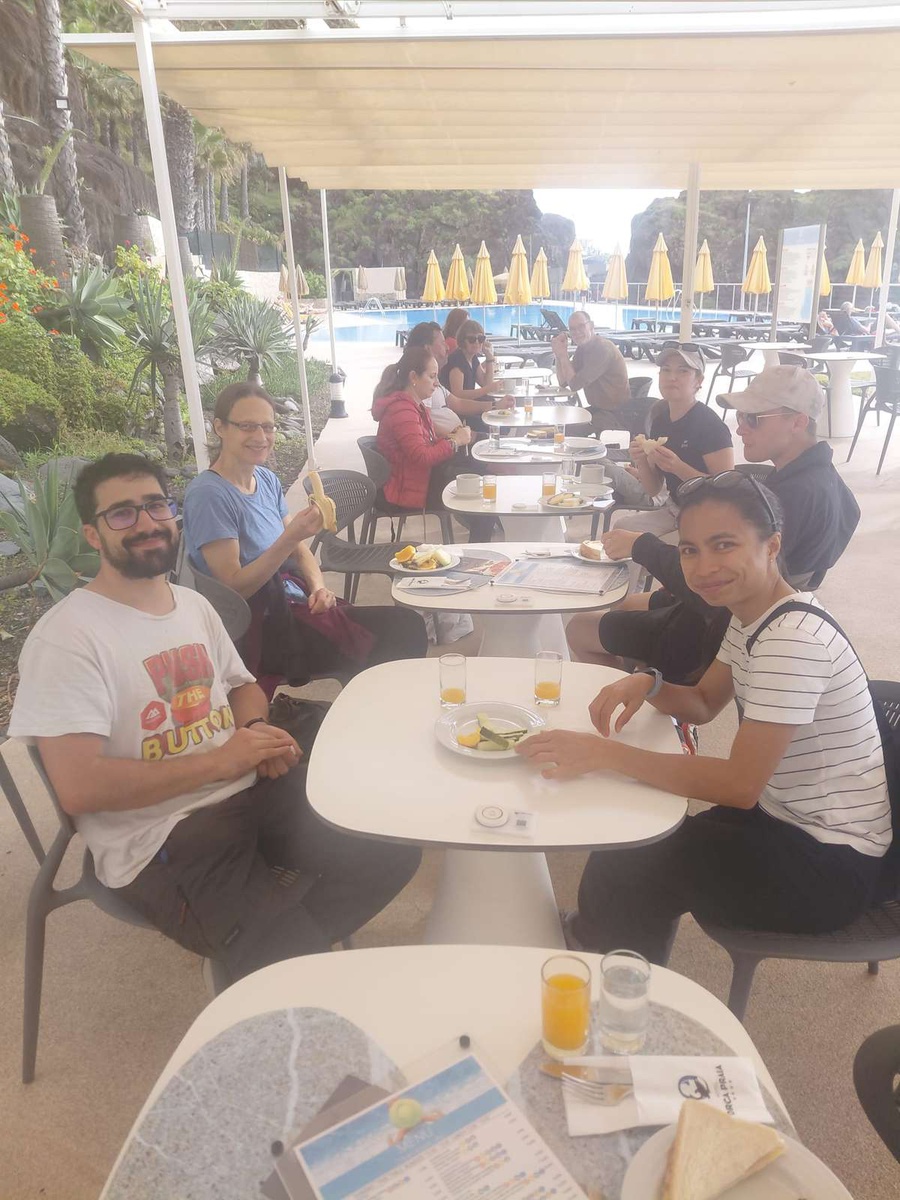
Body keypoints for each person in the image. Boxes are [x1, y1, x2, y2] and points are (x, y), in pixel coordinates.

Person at [8, 453, 421, 983]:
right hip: (163, 836)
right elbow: (80, 788)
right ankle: (275, 957)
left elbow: (242, 686)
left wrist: (252, 732)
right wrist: (222, 762)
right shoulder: (67, 638)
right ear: (93, 534)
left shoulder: (191, 605)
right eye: (122, 513)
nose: (146, 522)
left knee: (390, 849)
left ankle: (271, 955)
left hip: (247, 791)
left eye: (156, 505)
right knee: (293, 959)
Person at [519, 474, 889, 964]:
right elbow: (702, 702)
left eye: (724, 545)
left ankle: (607, 972)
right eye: (690, 550)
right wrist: (649, 683)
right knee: (639, 829)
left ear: (772, 545)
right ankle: (611, 943)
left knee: (633, 861)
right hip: (785, 817)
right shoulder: (755, 614)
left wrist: (604, 753)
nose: (703, 567)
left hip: (829, 863)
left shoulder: (793, 642)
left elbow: (739, 785)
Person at [566, 366, 860, 681]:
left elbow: (724, 580)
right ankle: (642, 680)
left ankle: (642, 697)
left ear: (798, 422)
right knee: (627, 604)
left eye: (753, 418)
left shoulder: (796, 495)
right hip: (731, 608)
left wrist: (641, 545)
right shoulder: (823, 478)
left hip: (719, 624)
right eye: (741, 417)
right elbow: (851, 516)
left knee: (579, 628)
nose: (741, 428)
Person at [183, 384, 428, 687]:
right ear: (220, 427)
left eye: (268, 426)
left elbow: (299, 552)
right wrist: (289, 537)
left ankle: (374, 703)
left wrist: (319, 588)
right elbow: (234, 589)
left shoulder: (265, 479)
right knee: (403, 631)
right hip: (261, 628)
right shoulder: (209, 495)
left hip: (294, 602)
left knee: (399, 630)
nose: (261, 436)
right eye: (247, 426)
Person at [601, 342, 733, 537]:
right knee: (621, 529)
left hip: (708, 519)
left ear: (698, 380)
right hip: (675, 511)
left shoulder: (711, 425)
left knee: (639, 544)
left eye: (683, 371)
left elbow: (727, 491)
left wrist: (678, 468)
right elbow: (653, 489)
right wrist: (642, 461)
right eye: (666, 370)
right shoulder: (660, 421)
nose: (672, 377)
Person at [373, 344, 494, 541]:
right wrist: (455, 441)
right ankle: (478, 550)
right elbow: (422, 457)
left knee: (483, 476)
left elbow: (426, 444)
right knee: (483, 493)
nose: (437, 383)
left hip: (418, 478)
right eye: (432, 376)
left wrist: (454, 438)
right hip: (409, 489)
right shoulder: (402, 411)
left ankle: (479, 543)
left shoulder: (413, 405)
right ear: (413, 377)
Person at [405, 321, 496, 435]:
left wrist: (494, 406)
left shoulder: (431, 378)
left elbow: (458, 403)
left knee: (495, 425)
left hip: (459, 434)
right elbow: (425, 424)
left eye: (481, 339)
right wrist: (459, 436)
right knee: (494, 428)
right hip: (454, 439)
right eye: (443, 343)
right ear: (427, 349)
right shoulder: (421, 383)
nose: (448, 347)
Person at [550, 310, 631, 434]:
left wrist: (564, 355)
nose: (577, 332)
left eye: (581, 326)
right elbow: (563, 382)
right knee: (558, 425)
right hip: (598, 410)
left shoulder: (602, 349)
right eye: (572, 329)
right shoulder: (582, 348)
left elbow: (575, 384)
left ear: (591, 326)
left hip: (615, 414)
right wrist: (559, 355)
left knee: (563, 431)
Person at [439, 318, 496, 401]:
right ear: (462, 341)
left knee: (494, 401)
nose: (477, 342)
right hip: (453, 406)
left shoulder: (472, 358)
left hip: (465, 404)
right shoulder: (457, 360)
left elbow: (486, 383)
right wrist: (487, 389)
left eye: (480, 339)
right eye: (472, 339)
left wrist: (489, 358)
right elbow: (457, 394)